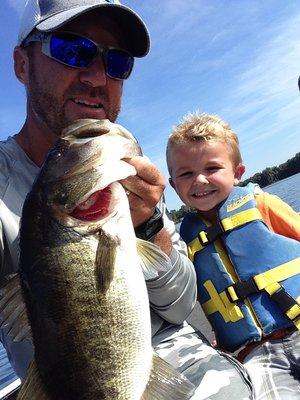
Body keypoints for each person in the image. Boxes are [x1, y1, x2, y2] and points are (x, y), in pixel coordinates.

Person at [0, 1, 253, 399]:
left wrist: (148, 225)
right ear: (22, 64)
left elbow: (180, 303)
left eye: (118, 62)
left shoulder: (124, 174)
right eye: (71, 49)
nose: (98, 76)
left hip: (180, 365)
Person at [167, 111, 300, 399]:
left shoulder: (261, 204)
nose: (200, 180)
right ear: (174, 185)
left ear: (238, 173)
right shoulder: (182, 240)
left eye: (212, 168)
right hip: (255, 353)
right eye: (186, 173)